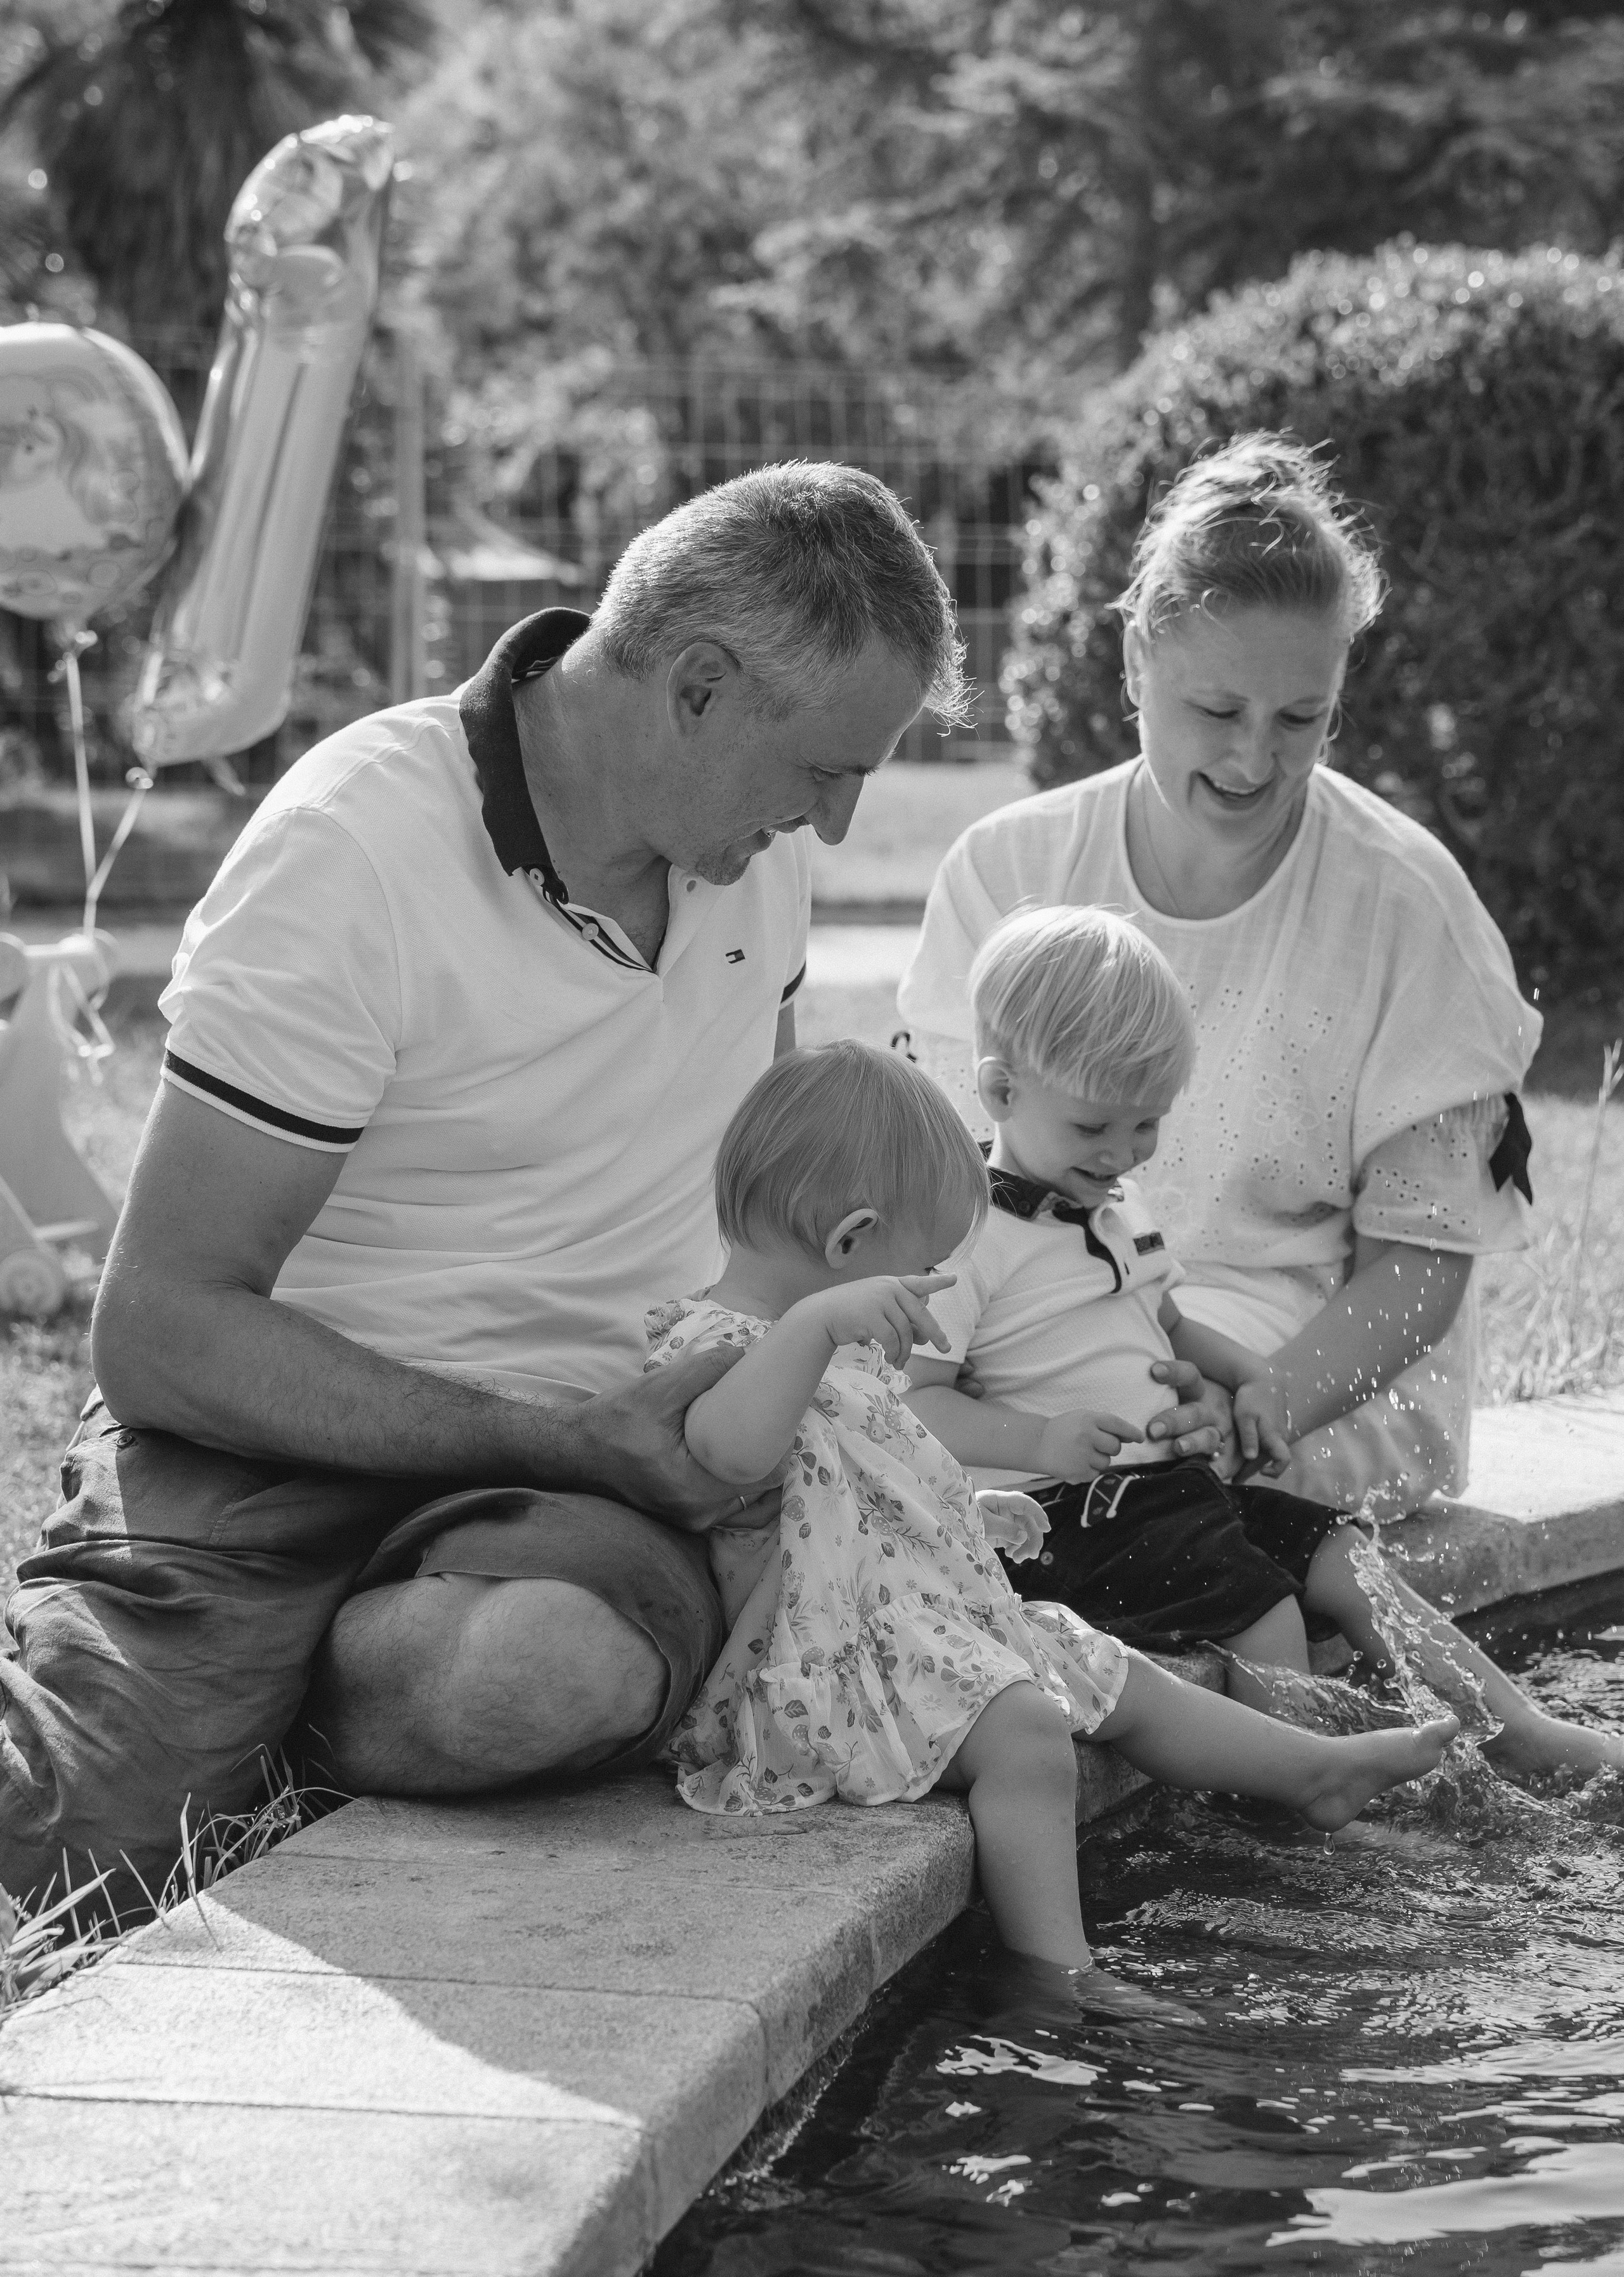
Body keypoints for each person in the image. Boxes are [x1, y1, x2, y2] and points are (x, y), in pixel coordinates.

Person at [18, 463, 1230, 1911]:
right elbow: (159, 1328)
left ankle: (311, 1694)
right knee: (63, 1845)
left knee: (548, 1676)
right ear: (699, 689)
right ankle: (267, 1694)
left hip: (595, 1485)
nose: (836, 829)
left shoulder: (746, 860)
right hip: (272, 1448)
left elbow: (783, 1221)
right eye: (826, 771)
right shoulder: (353, 851)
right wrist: (575, 1438)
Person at [645, 1041, 1458, 1982]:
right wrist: (815, 1327)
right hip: (822, 1680)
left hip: (906, 1634)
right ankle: (1057, 1972)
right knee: (1027, 1732)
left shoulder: (837, 1352)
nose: (929, 1303)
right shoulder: (722, 1347)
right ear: (851, 1246)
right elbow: (726, 1457)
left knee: (1101, 1662)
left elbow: (834, 1486)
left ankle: (1311, 1773)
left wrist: (970, 1508)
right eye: (924, 1274)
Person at [898, 431, 1540, 1521]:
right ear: (1137, 663)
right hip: (1027, 1342)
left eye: (1302, 720)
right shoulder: (1006, 868)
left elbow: (1423, 1270)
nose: (1255, 763)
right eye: (1217, 712)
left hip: (1304, 1382)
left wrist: (1259, 1406)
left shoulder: (1408, 904)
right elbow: (947, 1195)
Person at [904, 905, 1624, 1782]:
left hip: (1157, 1497)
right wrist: (1037, 1440)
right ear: (1002, 1090)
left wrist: (1253, 1382)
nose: (1124, 1153)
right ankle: (1312, 1790)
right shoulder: (969, 1233)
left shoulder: (1114, 1201)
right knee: (1264, 1607)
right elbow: (918, 1402)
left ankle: (1516, 1727)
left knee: (1341, 1553)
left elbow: (1165, 1323)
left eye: (1146, 1125)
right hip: (1060, 1522)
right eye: (1096, 1128)